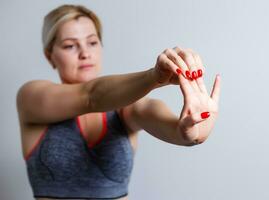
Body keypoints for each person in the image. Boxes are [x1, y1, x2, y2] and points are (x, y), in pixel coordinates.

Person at [16, 4, 221, 200]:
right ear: (50, 55)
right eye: (70, 46)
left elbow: (165, 121)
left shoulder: (129, 108)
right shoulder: (31, 97)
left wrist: (191, 132)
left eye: (92, 42)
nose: (85, 53)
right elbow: (91, 96)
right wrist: (154, 77)